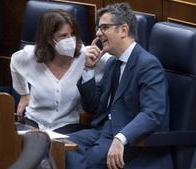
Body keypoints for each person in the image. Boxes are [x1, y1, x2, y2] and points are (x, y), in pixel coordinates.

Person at [66, 3, 172, 169]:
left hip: (129, 140)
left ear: (123, 30)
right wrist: (88, 69)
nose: (98, 33)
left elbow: (152, 113)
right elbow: (92, 106)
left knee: (87, 163)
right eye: (98, 28)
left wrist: (121, 137)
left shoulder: (148, 64)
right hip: (101, 131)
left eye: (104, 27)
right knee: (59, 146)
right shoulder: (112, 63)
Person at [10, 10, 109, 134]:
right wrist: (24, 94)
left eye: (72, 34)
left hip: (68, 125)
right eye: (63, 36)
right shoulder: (31, 55)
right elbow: (14, 62)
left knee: (46, 147)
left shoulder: (86, 55)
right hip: (34, 122)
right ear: (49, 39)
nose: (70, 40)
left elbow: (117, 62)